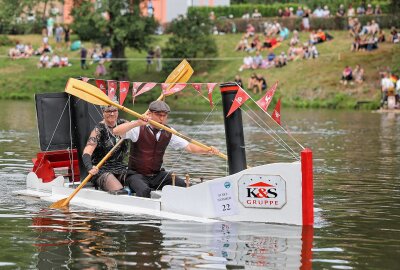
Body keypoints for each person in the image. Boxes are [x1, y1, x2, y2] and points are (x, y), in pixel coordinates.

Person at [113, 101, 220, 198]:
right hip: (136, 175)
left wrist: (207, 150)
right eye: (159, 115)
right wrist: (137, 122)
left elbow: (190, 147)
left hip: (157, 175)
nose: (162, 119)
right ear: (149, 114)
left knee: (182, 184)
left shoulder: (169, 131)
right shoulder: (137, 128)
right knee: (144, 190)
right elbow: (116, 131)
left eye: (164, 116)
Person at [82, 103, 130, 194]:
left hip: (121, 167)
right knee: (119, 191)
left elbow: (140, 128)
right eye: (108, 111)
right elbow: (88, 150)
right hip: (102, 169)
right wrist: (89, 166)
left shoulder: (123, 124)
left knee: (137, 181)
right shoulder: (98, 130)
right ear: (102, 112)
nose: (112, 114)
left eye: (114, 111)